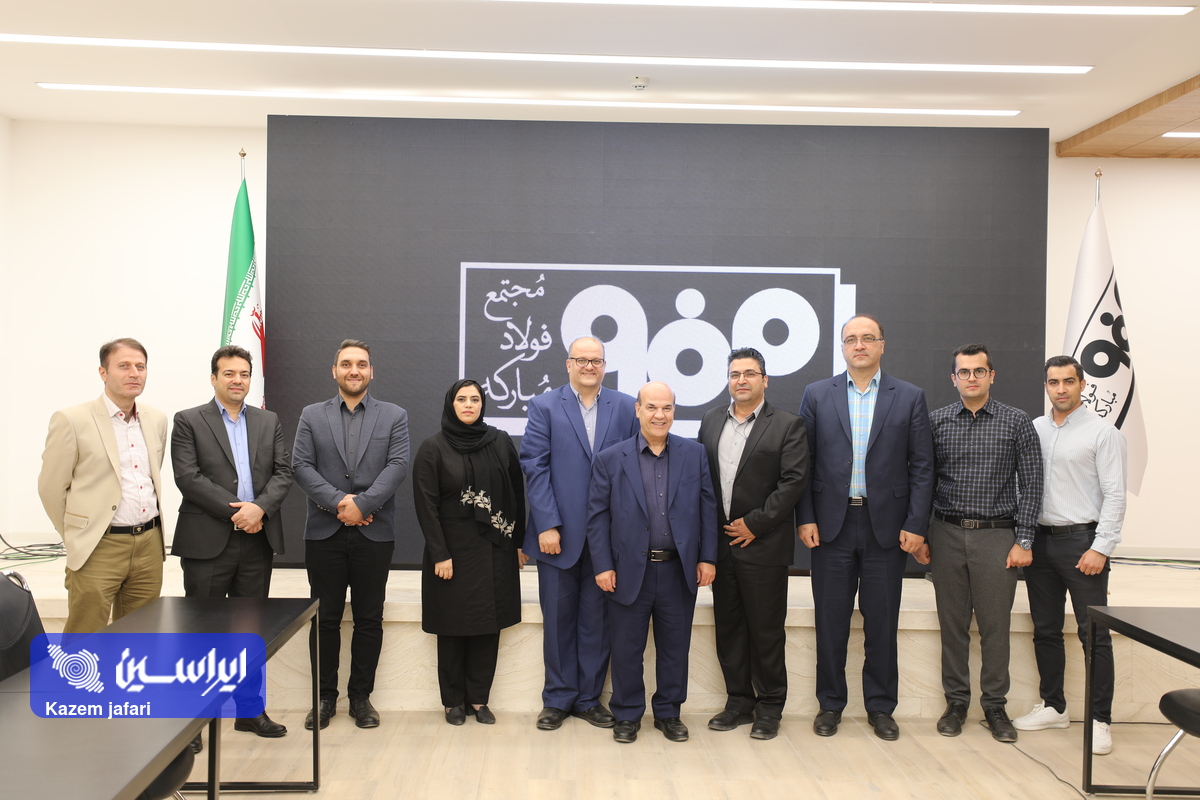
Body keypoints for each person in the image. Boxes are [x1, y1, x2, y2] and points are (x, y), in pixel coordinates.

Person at [796, 314, 934, 742]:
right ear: (842, 347)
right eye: (851, 339)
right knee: (830, 622)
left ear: (881, 345)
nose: (859, 345)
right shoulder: (817, 394)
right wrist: (806, 516)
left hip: (887, 529)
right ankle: (830, 705)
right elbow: (803, 463)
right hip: (831, 528)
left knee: (882, 623)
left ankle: (880, 707)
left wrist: (916, 523)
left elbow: (923, 466)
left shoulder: (908, 396)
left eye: (867, 338)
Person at [171, 344, 294, 741]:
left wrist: (259, 510)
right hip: (207, 542)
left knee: (248, 631)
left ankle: (249, 711)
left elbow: (283, 472)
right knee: (201, 633)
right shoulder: (189, 420)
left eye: (244, 374)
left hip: (257, 541)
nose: (237, 380)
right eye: (229, 373)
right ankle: (192, 723)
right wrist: (239, 512)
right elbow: (188, 477)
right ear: (214, 378)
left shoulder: (268, 420)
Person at [586, 381, 717, 744]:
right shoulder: (610, 459)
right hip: (628, 572)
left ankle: (669, 713)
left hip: (679, 571)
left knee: (675, 648)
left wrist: (707, 557)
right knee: (626, 649)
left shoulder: (695, 454)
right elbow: (597, 517)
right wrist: (602, 565)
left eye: (667, 408)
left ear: (674, 411)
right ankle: (627, 714)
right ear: (638, 410)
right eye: (652, 407)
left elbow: (707, 508)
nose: (660, 415)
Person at [924, 343, 1042, 743]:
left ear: (992, 376)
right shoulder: (937, 422)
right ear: (953, 378)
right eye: (964, 372)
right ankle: (956, 702)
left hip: (997, 536)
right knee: (952, 625)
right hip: (946, 534)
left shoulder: (1016, 421)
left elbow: (1033, 484)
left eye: (978, 371)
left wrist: (1024, 538)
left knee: (995, 626)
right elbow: (924, 482)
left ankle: (994, 705)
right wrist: (922, 535)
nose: (971, 378)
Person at [519, 336, 637, 731]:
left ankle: (588, 699)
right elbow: (534, 466)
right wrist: (547, 524)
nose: (589, 366)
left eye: (596, 360)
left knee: (597, 623)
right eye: (581, 360)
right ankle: (557, 699)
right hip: (557, 536)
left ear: (605, 365)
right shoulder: (544, 406)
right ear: (568, 364)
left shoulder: (626, 407)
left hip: (608, 540)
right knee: (557, 622)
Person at [293, 339, 410, 731]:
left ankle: (361, 698)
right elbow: (301, 466)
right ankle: (324, 698)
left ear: (371, 371)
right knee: (324, 619)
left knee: (369, 619)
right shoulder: (312, 415)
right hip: (323, 533)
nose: (354, 370)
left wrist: (364, 504)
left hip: (375, 533)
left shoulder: (394, 416)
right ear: (335, 371)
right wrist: (340, 502)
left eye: (361, 364)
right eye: (346, 364)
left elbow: (397, 465)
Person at [1013, 355, 1125, 756]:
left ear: (1082, 384)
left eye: (1068, 381)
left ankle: (1100, 720)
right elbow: (1023, 484)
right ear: (1045, 386)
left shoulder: (1103, 433)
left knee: (1094, 634)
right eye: (1053, 382)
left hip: (1083, 545)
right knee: (1045, 629)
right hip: (1039, 544)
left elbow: (1115, 494)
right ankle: (1054, 706)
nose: (1061, 389)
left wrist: (1101, 547)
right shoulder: (1034, 429)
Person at [698, 347, 808, 740]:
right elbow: (702, 480)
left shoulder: (788, 425)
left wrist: (754, 524)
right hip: (721, 546)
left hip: (762, 546)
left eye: (749, 373)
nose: (741, 380)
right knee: (729, 630)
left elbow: (793, 482)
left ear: (765, 380)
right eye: (734, 374)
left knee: (765, 631)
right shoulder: (711, 420)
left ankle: (770, 707)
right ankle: (739, 703)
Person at [413, 379, 528, 725]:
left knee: (487, 624)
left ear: (482, 405)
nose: (468, 405)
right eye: (462, 399)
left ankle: (479, 699)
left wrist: (518, 543)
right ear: (451, 404)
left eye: (475, 399)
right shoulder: (432, 448)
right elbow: (426, 506)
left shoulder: (500, 442)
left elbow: (516, 494)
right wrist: (439, 553)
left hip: (494, 548)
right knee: (452, 626)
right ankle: (452, 701)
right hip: (450, 551)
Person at [38, 338, 168, 634]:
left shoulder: (157, 419)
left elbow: (150, 476)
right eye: (124, 366)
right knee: (85, 636)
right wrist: (78, 533)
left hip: (148, 543)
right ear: (103, 372)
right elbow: (50, 488)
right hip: (99, 545)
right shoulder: (72, 420)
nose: (134, 373)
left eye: (140, 367)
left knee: (140, 634)